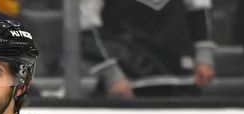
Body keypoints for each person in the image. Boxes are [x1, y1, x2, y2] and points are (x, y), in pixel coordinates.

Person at [80, 0, 217, 98]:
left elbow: (199, 7)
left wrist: (204, 53)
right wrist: (111, 74)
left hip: (180, 77)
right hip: (127, 80)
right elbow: (85, 23)